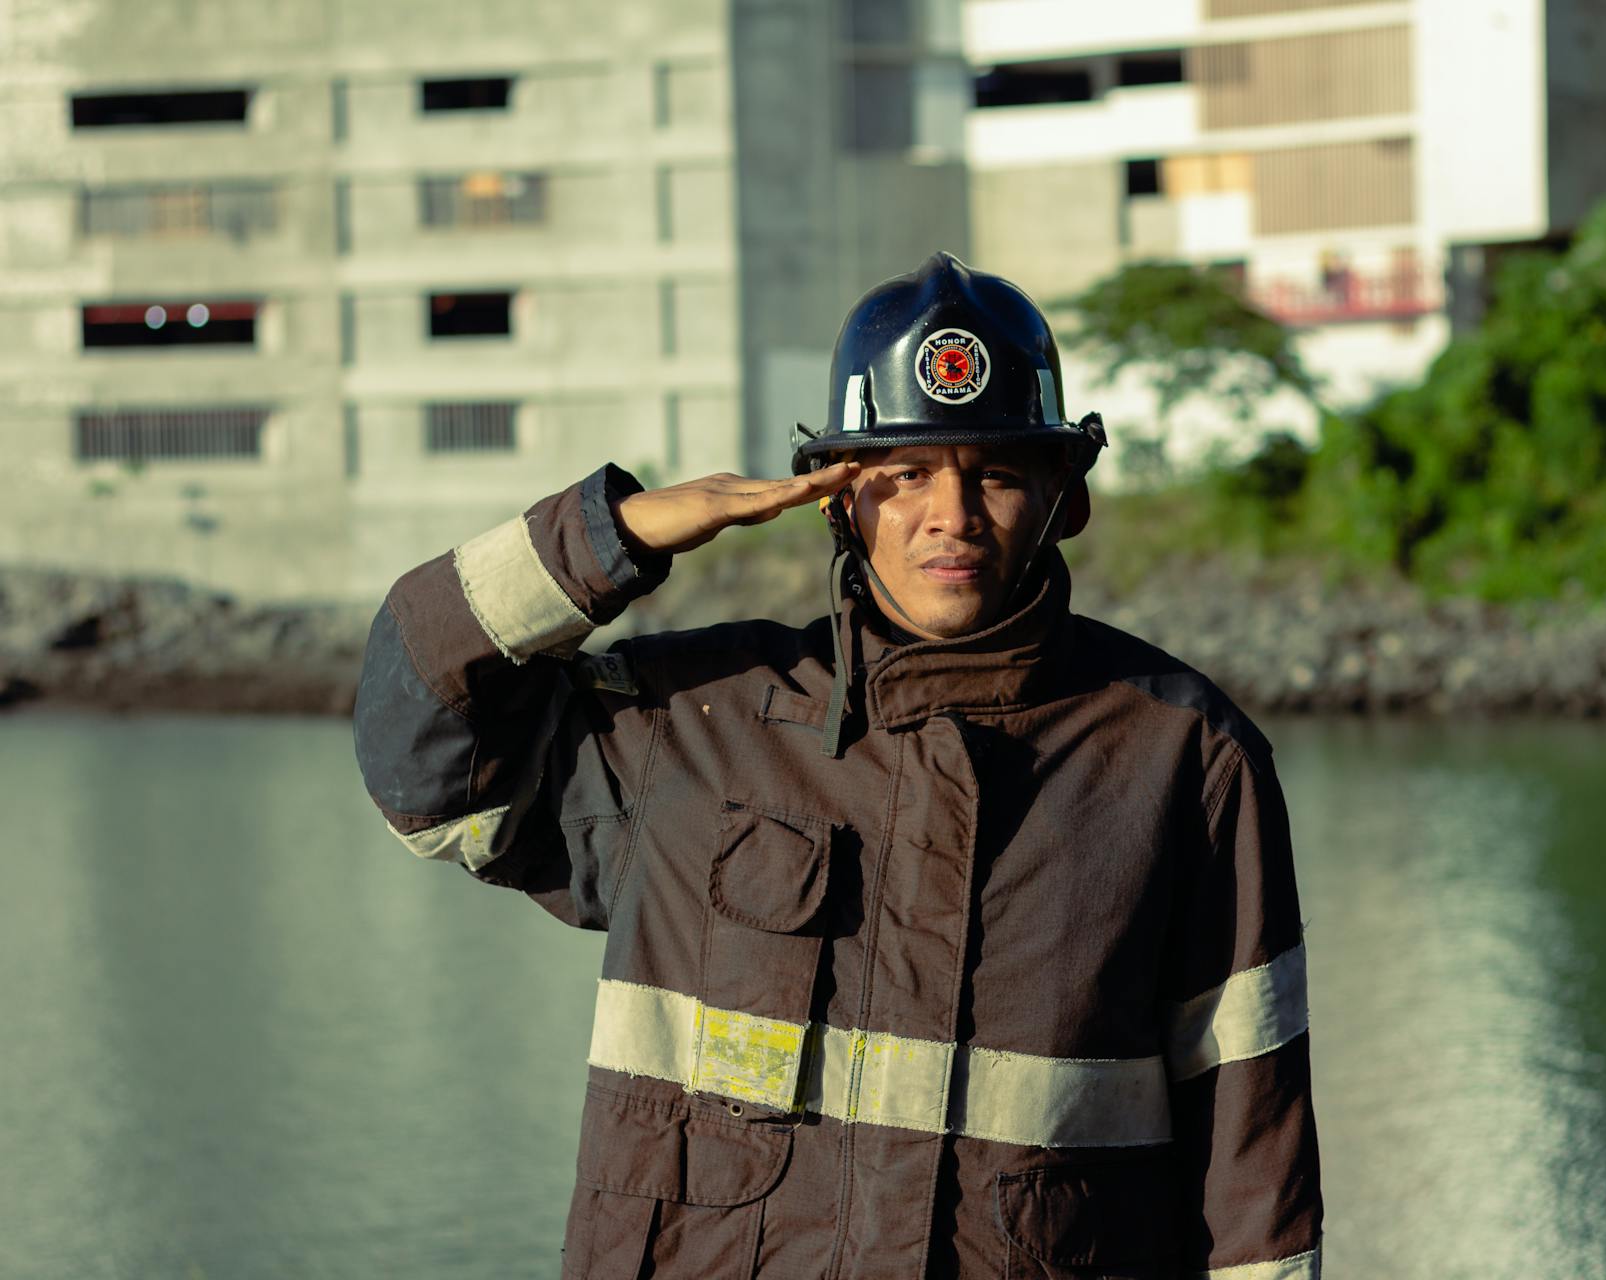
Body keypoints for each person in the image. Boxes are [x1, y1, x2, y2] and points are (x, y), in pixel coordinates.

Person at [353, 252, 1323, 1279]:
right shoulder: (691, 723)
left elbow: (1252, 1160)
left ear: (1063, 497)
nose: (950, 514)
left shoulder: (1183, 757)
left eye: (994, 471)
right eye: (902, 475)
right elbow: (421, 758)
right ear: (835, 499)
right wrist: (612, 535)